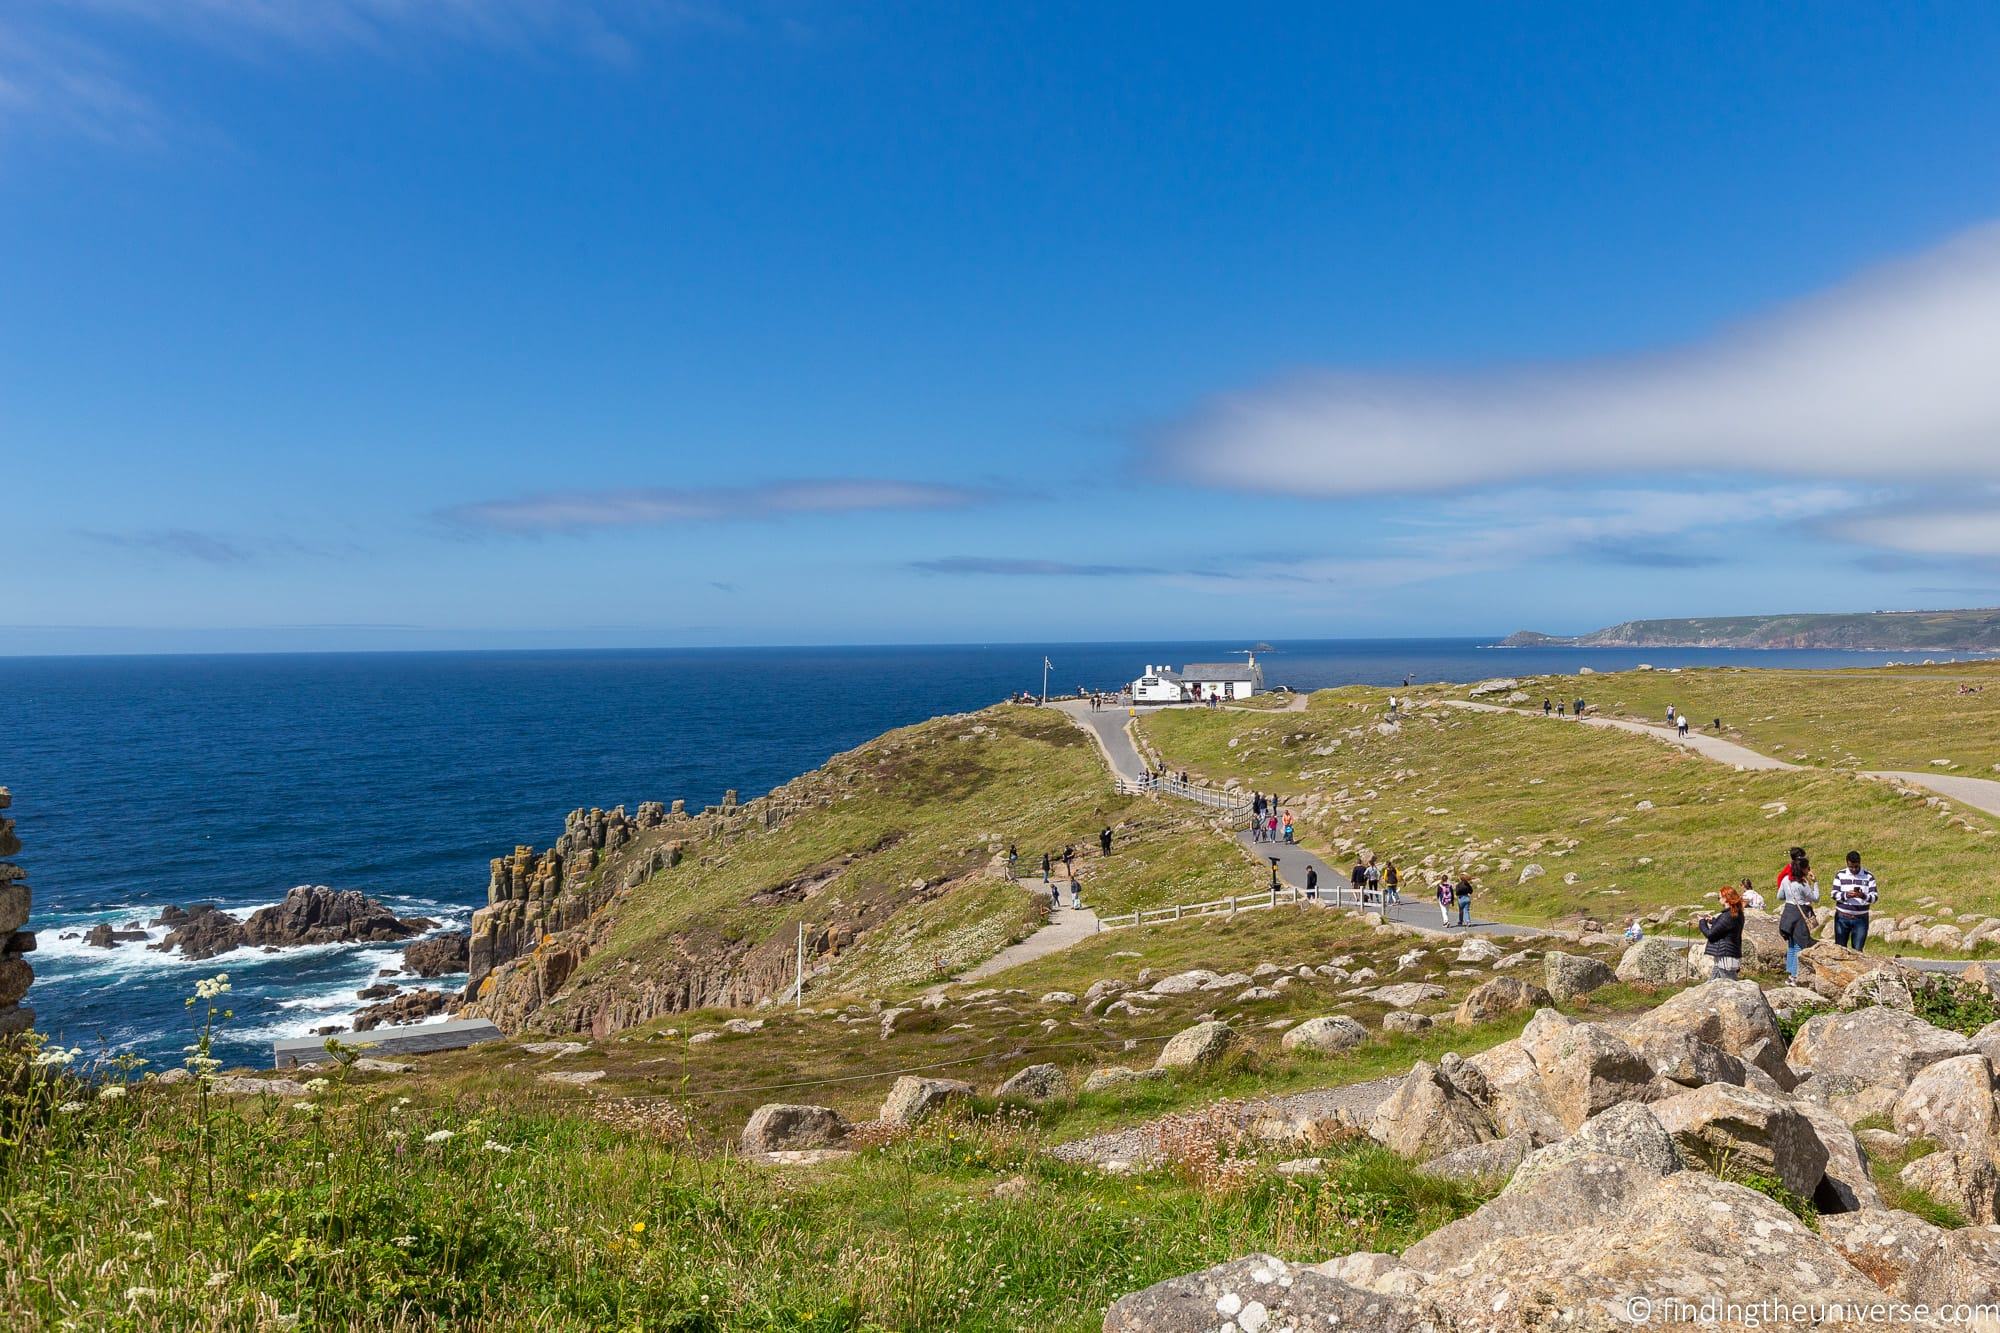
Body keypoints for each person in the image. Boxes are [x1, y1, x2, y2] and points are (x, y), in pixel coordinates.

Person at [1776, 852, 1820, 978]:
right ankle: (1796, 976)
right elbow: (1815, 898)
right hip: (1799, 915)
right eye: (1808, 868)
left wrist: (1789, 895)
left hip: (1787, 912)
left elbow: (1779, 896)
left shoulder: (1785, 880)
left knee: (1791, 945)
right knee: (1799, 946)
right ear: (1803, 869)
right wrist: (1815, 882)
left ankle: (1790, 974)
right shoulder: (1802, 884)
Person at [1832, 850, 1879, 951]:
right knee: (1840, 949)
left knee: (1858, 950)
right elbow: (1834, 894)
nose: (1853, 869)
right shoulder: (1840, 875)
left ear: (1860, 863)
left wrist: (1863, 896)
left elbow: (1874, 897)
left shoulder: (1868, 876)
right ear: (1847, 864)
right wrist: (1846, 895)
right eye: (1851, 867)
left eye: (1856, 867)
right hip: (1842, 917)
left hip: (1861, 919)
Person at [1698, 884, 1746, 979]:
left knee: (1730, 986)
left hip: (1726, 959)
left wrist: (1701, 922)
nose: (1718, 900)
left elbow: (1710, 934)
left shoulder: (1727, 916)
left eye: (1719, 897)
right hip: (1726, 957)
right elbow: (1726, 928)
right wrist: (1714, 921)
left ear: (1725, 898)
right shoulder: (1737, 913)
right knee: (1712, 986)